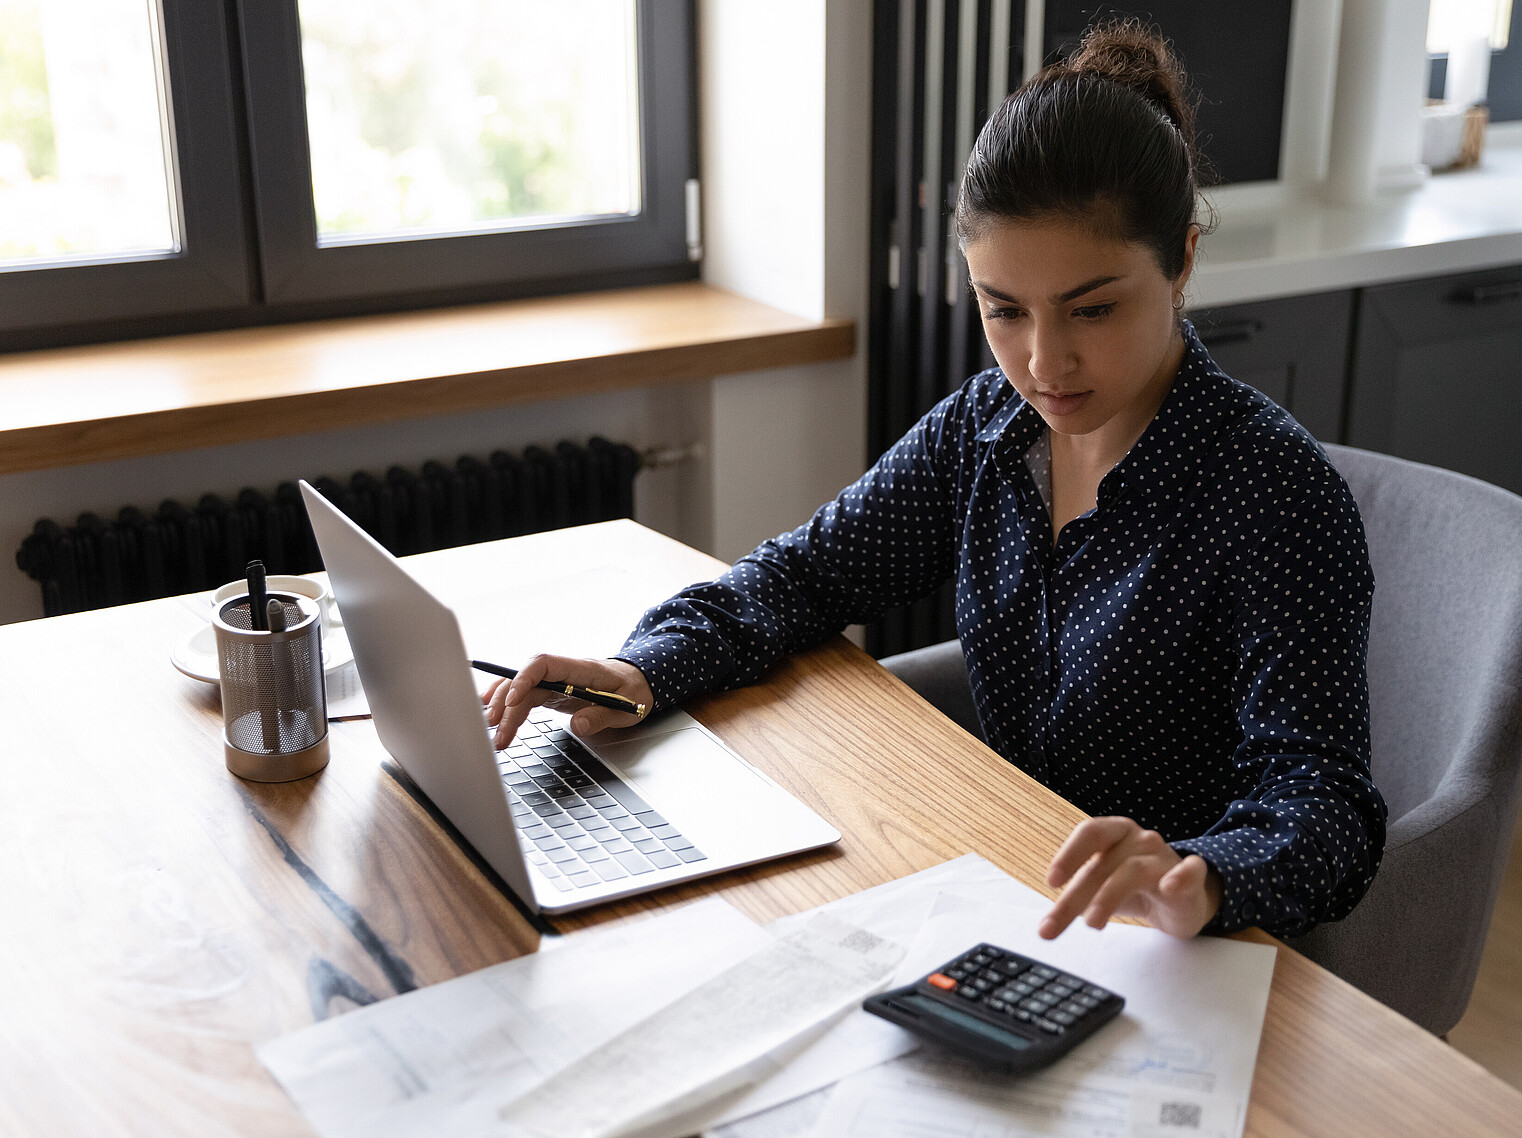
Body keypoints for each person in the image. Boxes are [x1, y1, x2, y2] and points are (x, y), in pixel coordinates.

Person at [486, 20, 1386, 943]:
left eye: (1095, 309)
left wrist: (1200, 876)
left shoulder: (1272, 492)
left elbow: (1326, 805)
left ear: (1183, 260)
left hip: (1187, 949)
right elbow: (804, 576)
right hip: (1001, 885)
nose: (1044, 363)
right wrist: (636, 670)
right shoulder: (987, 429)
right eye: (1004, 311)